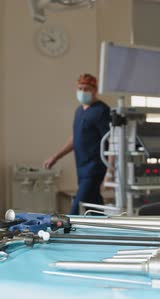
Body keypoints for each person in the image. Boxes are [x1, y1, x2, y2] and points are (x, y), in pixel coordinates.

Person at [44, 73, 113, 215]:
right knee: (95, 208)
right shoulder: (79, 111)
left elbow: (112, 141)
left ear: (94, 90)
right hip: (81, 168)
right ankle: (103, 233)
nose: (82, 92)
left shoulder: (102, 111)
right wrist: (55, 157)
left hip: (95, 169)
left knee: (76, 209)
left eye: (86, 88)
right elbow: (76, 139)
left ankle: (63, 235)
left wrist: (110, 171)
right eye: (80, 88)